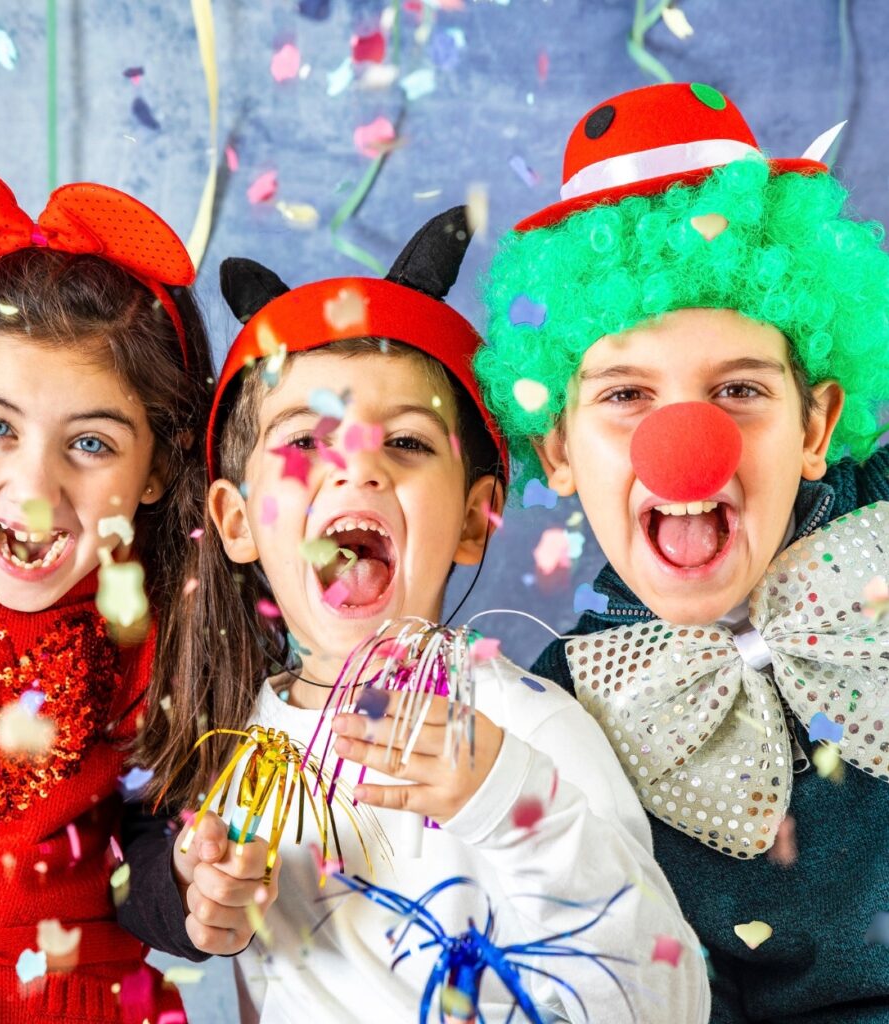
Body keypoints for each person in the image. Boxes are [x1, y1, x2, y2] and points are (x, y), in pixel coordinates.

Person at [119, 207, 710, 1023]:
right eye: (303, 444)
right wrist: (201, 896)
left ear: (475, 519)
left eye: (405, 444)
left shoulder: (527, 727)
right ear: (237, 520)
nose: (356, 467)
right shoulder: (234, 747)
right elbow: (141, 886)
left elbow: (666, 1002)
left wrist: (511, 799)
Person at [474, 82, 889, 1023]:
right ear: (560, 449)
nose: (686, 442)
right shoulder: (565, 712)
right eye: (625, 396)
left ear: (817, 424)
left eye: (739, 389)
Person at [0, 161, 213, 1023]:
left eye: (92, 444)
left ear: (157, 467)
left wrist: (192, 883)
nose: (35, 490)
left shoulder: (168, 630)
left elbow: (149, 855)